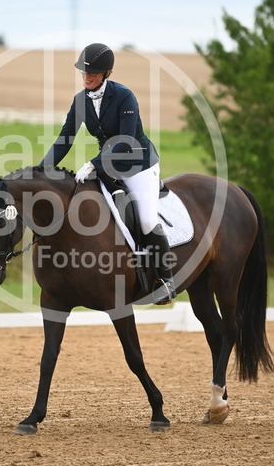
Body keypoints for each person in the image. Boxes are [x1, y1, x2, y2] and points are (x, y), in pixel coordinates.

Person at [40, 42, 176, 303]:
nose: (87, 76)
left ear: (107, 73)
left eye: (92, 72)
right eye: (84, 72)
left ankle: (166, 280)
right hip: (108, 166)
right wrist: (41, 169)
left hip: (138, 164)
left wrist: (94, 163)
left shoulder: (124, 96)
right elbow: (65, 139)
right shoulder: (80, 100)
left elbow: (126, 141)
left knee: (146, 220)